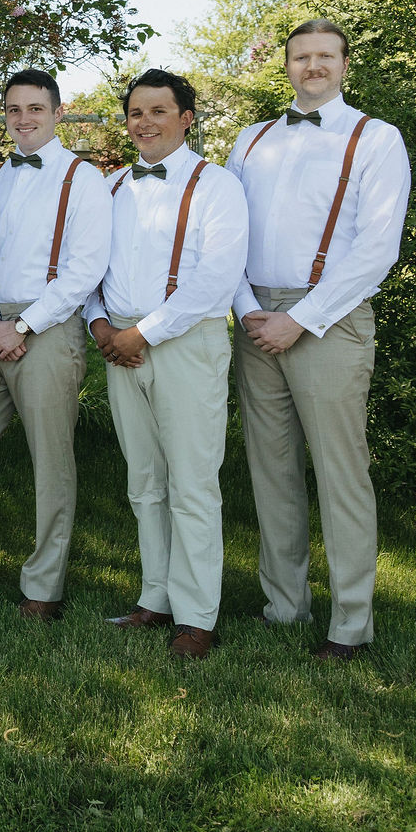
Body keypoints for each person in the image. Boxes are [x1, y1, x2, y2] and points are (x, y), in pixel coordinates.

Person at [227, 20, 410, 661]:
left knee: (341, 473)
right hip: (256, 321)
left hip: (330, 318)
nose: (313, 66)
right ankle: (284, 605)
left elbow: (376, 249)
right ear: (286, 66)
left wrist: (300, 318)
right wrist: (250, 311)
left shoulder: (376, 140)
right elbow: (228, 238)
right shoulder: (250, 143)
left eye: (324, 56)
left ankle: (350, 625)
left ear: (344, 65)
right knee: (271, 470)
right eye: (301, 57)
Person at [86, 69, 248, 660]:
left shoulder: (216, 186)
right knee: (143, 481)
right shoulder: (109, 188)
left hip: (185, 345)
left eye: (159, 111)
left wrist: (143, 334)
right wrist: (101, 325)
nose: (145, 123)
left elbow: (215, 280)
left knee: (193, 482)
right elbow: (89, 266)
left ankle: (198, 614)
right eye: (136, 113)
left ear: (186, 118)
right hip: (118, 345)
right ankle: (155, 597)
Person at [0, 69, 109, 621]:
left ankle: (43, 587)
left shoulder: (83, 179)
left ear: (57, 112)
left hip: (47, 328)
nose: (23, 119)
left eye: (34, 109)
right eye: (13, 110)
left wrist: (22, 325)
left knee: (50, 459)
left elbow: (84, 270)